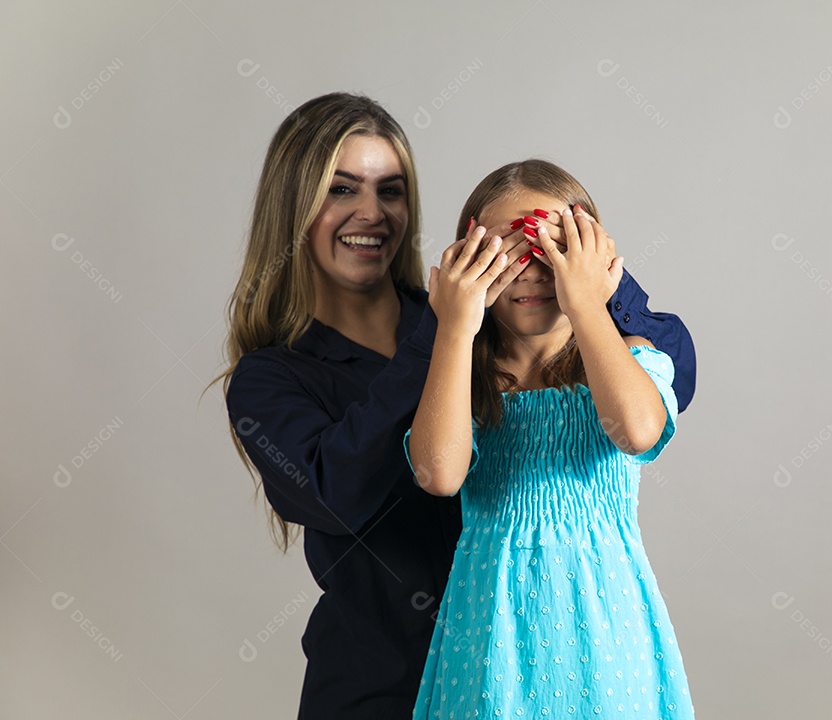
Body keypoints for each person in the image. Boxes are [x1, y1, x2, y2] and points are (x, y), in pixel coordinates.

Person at [219, 92, 696, 718]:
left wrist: (589, 269)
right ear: (294, 209)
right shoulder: (279, 376)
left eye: (390, 191)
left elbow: (664, 369)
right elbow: (338, 492)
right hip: (387, 685)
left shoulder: (488, 319)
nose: (372, 212)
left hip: (567, 662)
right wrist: (445, 332)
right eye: (341, 189)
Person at [406, 159, 695, 718]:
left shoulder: (628, 357)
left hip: (607, 634)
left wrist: (586, 301)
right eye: (508, 252)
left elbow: (637, 432)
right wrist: (455, 326)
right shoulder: (458, 376)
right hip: (490, 634)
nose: (532, 271)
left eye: (553, 248)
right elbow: (438, 474)